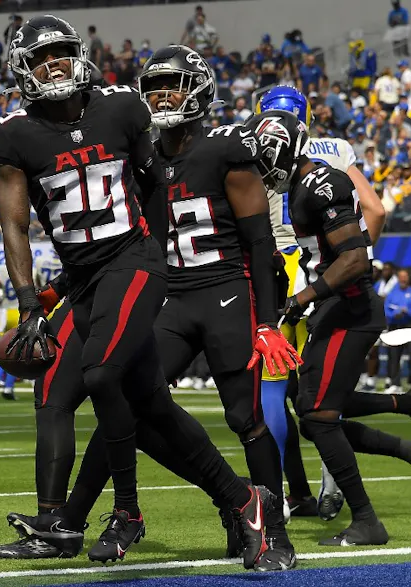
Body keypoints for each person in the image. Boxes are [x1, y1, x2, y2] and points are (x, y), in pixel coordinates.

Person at [0, 17, 268, 567]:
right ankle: (239, 500)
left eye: (64, 52)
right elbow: (14, 224)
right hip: (85, 276)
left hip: (134, 260)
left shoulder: (120, 108)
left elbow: (155, 188)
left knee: (101, 374)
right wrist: (28, 302)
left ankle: (128, 511)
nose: (55, 64)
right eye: (42, 57)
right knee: (118, 402)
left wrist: (156, 255)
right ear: (22, 69)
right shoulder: (13, 134)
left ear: (81, 54)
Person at [247, 109, 411, 546]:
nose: (262, 167)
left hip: (352, 310)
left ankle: (367, 520)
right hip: (336, 308)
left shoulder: (321, 183)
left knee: (319, 416)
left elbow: (355, 259)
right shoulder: (301, 187)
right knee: (313, 409)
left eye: (266, 156)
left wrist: (301, 298)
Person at [133, 45, 300, 568]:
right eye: (156, 86)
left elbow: (259, 243)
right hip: (174, 296)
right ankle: (233, 499)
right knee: (136, 407)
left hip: (228, 290)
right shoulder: (143, 158)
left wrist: (268, 323)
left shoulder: (226, 145)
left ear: (199, 90)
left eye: (175, 84)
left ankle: (273, 531)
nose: (164, 95)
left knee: (245, 417)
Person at [255, 85, 386, 521]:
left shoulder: (250, 144)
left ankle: (284, 492)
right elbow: (376, 210)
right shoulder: (333, 149)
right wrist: (349, 253)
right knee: (319, 391)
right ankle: (332, 479)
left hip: (279, 277)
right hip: (321, 274)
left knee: (275, 391)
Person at [0, 261, 41, 399]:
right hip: (20, 311)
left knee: (3, 346)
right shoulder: (31, 269)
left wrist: (0, 300)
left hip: (5, 313)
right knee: (19, 351)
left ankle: (0, 376)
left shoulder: (2, 270)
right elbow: (38, 289)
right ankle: (4, 381)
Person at [384, 269, 411, 393]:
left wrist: (408, 312)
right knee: (394, 356)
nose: (403, 279)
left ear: (409, 278)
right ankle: (395, 383)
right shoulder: (392, 293)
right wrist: (394, 314)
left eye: (405, 276)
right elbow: (386, 310)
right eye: (401, 277)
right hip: (395, 326)